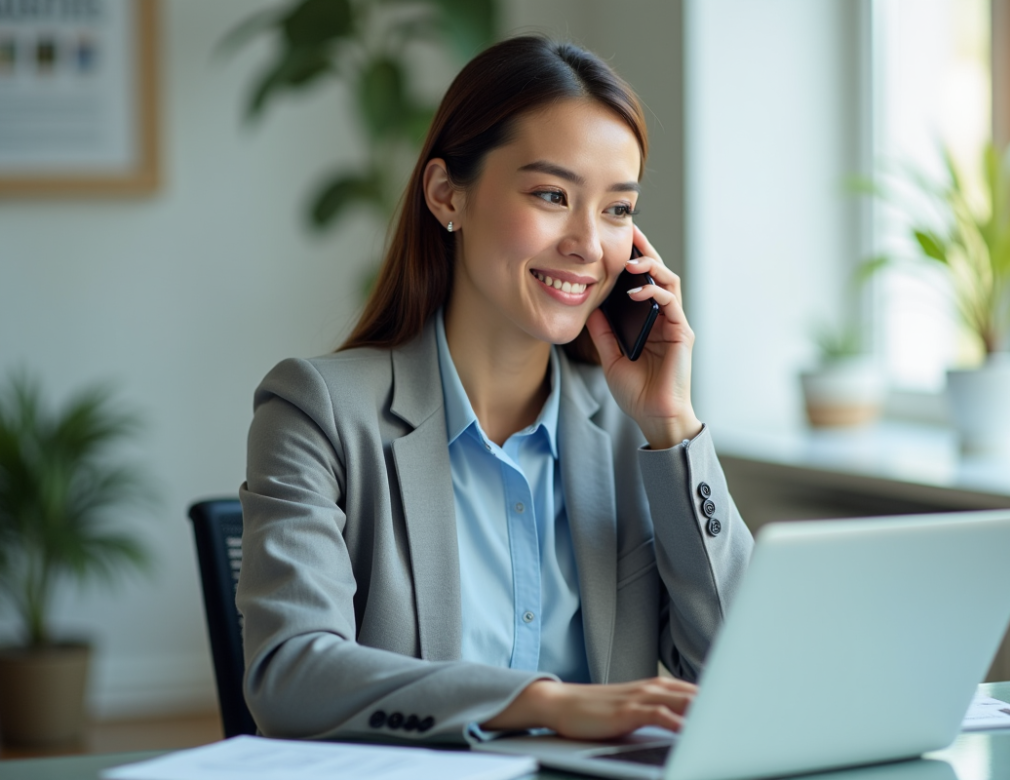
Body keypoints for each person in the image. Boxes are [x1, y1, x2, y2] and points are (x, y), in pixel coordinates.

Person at [237, 35, 752, 746]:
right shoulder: (318, 412)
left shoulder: (633, 434)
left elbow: (742, 675)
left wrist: (672, 427)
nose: (588, 244)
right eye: (551, 195)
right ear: (448, 195)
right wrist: (546, 703)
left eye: (616, 210)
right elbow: (289, 675)